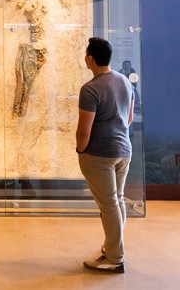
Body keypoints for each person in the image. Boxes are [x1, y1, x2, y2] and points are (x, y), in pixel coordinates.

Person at [76, 37, 135, 274]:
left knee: (109, 204)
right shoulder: (124, 81)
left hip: (100, 154)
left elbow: (84, 129)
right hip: (124, 151)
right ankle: (112, 249)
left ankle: (114, 257)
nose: (85, 57)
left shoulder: (90, 89)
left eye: (86, 53)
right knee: (117, 200)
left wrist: (81, 149)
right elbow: (128, 119)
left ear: (90, 58)